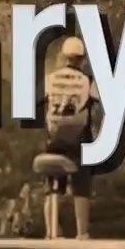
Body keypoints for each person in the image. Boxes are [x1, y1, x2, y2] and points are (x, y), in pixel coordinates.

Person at [41, 35, 100, 238]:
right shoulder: (87, 81)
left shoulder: (51, 79)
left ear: (64, 57)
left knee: (52, 186)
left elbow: (44, 102)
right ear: (81, 59)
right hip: (79, 140)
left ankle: (50, 232)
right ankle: (82, 233)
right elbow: (95, 105)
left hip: (54, 139)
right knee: (81, 185)